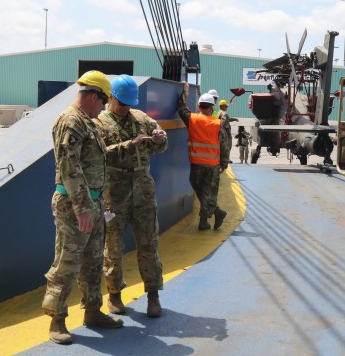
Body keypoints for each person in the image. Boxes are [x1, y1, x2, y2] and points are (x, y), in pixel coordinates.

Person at [42, 70, 123, 345]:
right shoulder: (71, 121)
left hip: (93, 202)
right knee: (67, 261)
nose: (104, 107)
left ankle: (92, 311)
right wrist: (81, 207)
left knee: (93, 261)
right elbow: (69, 166)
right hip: (74, 205)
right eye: (103, 101)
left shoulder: (88, 122)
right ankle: (57, 319)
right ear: (91, 96)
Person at [94, 75, 168, 318]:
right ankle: (114, 294)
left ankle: (153, 295)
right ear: (111, 98)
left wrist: (159, 139)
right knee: (113, 246)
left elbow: (161, 145)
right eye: (122, 103)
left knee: (149, 243)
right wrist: (129, 145)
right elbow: (99, 155)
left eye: (129, 103)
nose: (125, 108)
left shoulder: (141, 118)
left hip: (143, 190)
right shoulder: (100, 123)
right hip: (115, 192)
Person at [178, 82, 229, 230]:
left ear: (199, 106)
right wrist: (224, 164)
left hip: (196, 164)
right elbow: (224, 146)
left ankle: (205, 221)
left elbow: (181, 108)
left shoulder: (192, 119)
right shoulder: (218, 124)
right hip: (212, 165)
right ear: (212, 107)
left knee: (199, 188)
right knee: (209, 192)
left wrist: (185, 92)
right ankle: (216, 213)